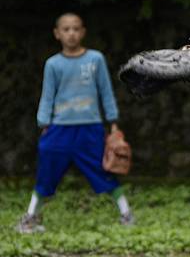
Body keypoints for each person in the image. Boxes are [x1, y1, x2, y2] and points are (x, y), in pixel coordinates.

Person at [15, 12, 134, 233]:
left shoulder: (95, 59)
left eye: (76, 28)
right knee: (46, 171)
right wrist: (44, 123)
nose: (71, 33)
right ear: (57, 34)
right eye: (66, 29)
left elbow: (105, 92)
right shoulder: (53, 64)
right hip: (58, 129)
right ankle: (31, 217)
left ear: (83, 32)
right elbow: (47, 95)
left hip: (91, 128)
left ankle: (126, 214)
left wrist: (113, 122)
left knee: (104, 169)